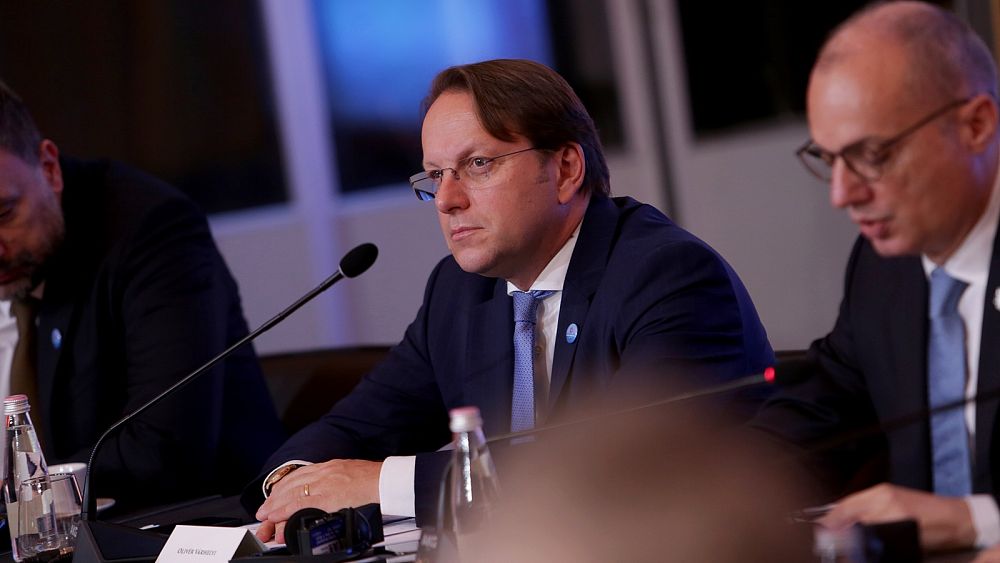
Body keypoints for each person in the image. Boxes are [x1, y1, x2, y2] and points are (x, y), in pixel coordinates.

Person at [250, 58, 774, 541]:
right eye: (436, 175)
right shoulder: (460, 292)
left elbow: (625, 473)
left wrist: (383, 483)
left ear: (565, 169)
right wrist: (295, 482)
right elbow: (357, 427)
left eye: (478, 164)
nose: (447, 200)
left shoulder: (666, 275)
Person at [750, 1, 1000, 553]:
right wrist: (720, 484)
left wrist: (975, 520)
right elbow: (832, 395)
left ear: (976, 126)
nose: (842, 194)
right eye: (829, 159)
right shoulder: (883, 265)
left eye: (872, 155)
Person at [0, 80, 285, 511]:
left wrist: (17, 497)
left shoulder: (152, 231)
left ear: (50, 168)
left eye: (4, 213)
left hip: (204, 523)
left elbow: (164, 448)